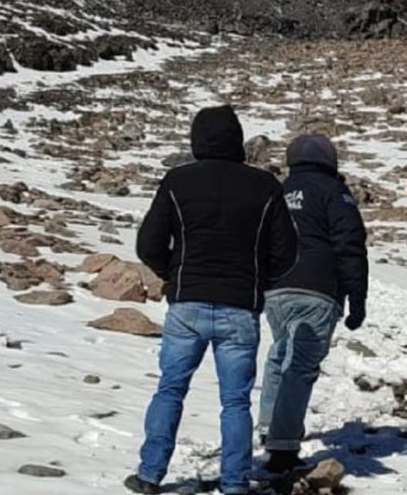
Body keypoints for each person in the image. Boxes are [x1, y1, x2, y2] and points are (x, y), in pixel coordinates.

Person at [126, 105, 299, 495]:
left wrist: (174, 274)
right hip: (240, 307)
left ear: (197, 139)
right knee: (235, 402)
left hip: (187, 303)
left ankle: (150, 474)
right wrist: (257, 281)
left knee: (171, 388)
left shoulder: (178, 181)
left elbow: (148, 244)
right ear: (236, 139)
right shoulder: (265, 187)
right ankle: (234, 484)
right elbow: (286, 253)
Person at [258, 134, 368, 474]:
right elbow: (350, 245)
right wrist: (356, 299)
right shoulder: (334, 193)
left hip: (276, 288)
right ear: (329, 161)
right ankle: (283, 447)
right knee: (301, 366)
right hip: (317, 287)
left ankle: (269, 427)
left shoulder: (279, 191)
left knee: (280, 353)